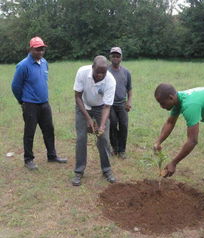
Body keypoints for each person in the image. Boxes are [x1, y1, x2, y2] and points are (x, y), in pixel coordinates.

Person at [11, 36, 67, 170]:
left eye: (42, 49)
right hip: (30, 105)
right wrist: (22, 101)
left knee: (49, 130)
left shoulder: (44, 62)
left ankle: (52, 156)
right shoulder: (23, 65)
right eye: (37, 49)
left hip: (44, 103)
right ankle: (28, 159)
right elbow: (15, 86)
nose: (40, 52)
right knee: (29, 132)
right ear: (31, 49)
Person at [72, 55, 116, 186]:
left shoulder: (110, 81)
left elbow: (107, 106)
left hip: (101, 107)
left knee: (103, 138)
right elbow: (77, 97)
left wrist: (101, 125)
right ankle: (79, 172)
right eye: (98, 72)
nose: (100, 75)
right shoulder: (82, 72)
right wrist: (87, 119)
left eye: (103, 72)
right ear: (92, 68)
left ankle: (107, 170)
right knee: (81, 138)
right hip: (83, 106)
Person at [108, 47, 132, 159]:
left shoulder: (126, 72)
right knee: (112, 124)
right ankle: (114, 148)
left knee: (123, 125)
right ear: (110, 57)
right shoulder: (106, 71)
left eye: (118, 56)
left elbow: (129, 88)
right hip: (109, 104)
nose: (116, 58)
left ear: (121, 57)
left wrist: (129, 101)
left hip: (122, 103)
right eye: (113, 56)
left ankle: (122, 150)